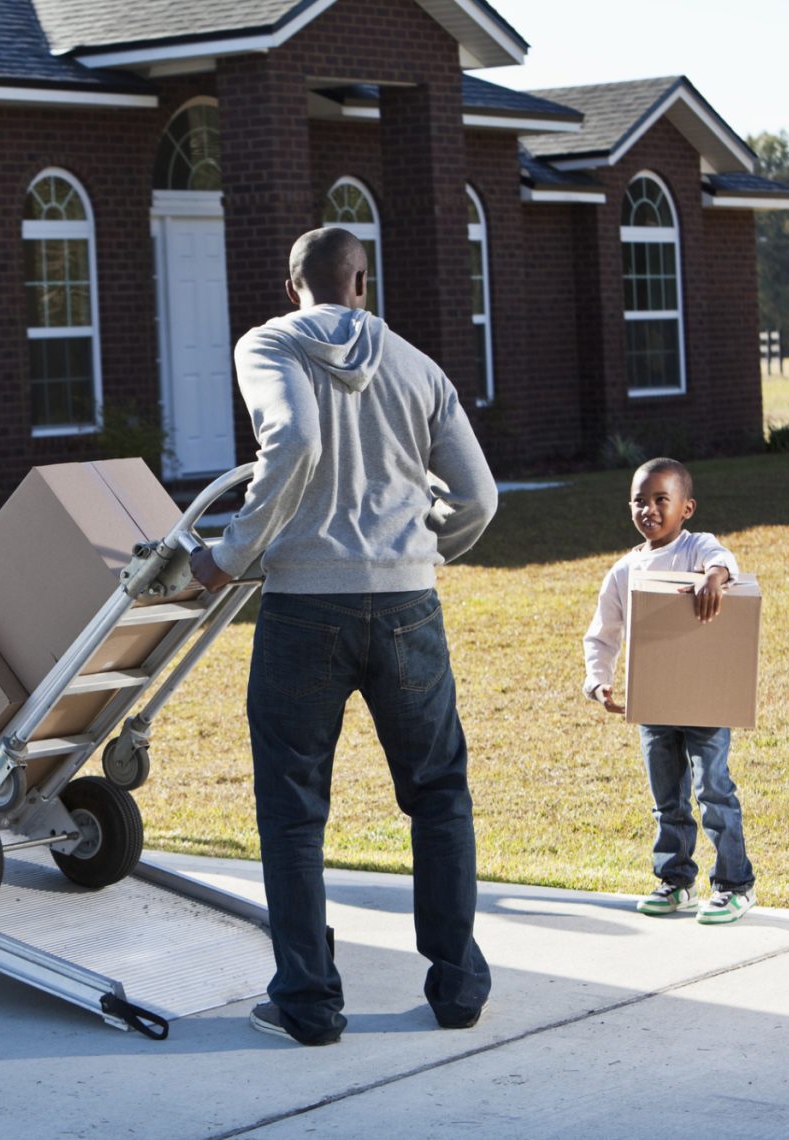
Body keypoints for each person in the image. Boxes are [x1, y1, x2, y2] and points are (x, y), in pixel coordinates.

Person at [189, 226, 498, 1045]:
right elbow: (479, 498)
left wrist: (229, 555)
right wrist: (423, 547)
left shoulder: (268, 345)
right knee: (438, 795)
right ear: (361, 280)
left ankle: (308, 1003)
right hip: (408, 609)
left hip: (304, 611)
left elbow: (291, 442)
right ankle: (458, 986)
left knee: (292, 809)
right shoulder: (420, 368)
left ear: (295, 286)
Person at [582, 457, 756, 924]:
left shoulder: (696, 550)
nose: (650, 509)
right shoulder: (623, 571)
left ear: (687, 507)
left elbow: (724, 560)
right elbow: (602, 634)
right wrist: (598, 682)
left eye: (662, 500)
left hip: (704, 699)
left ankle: (735, 885)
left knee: (713, 791)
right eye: (641, 500)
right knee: (668, 800)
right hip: (654, 703)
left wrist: (713, 578)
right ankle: (675, 881)